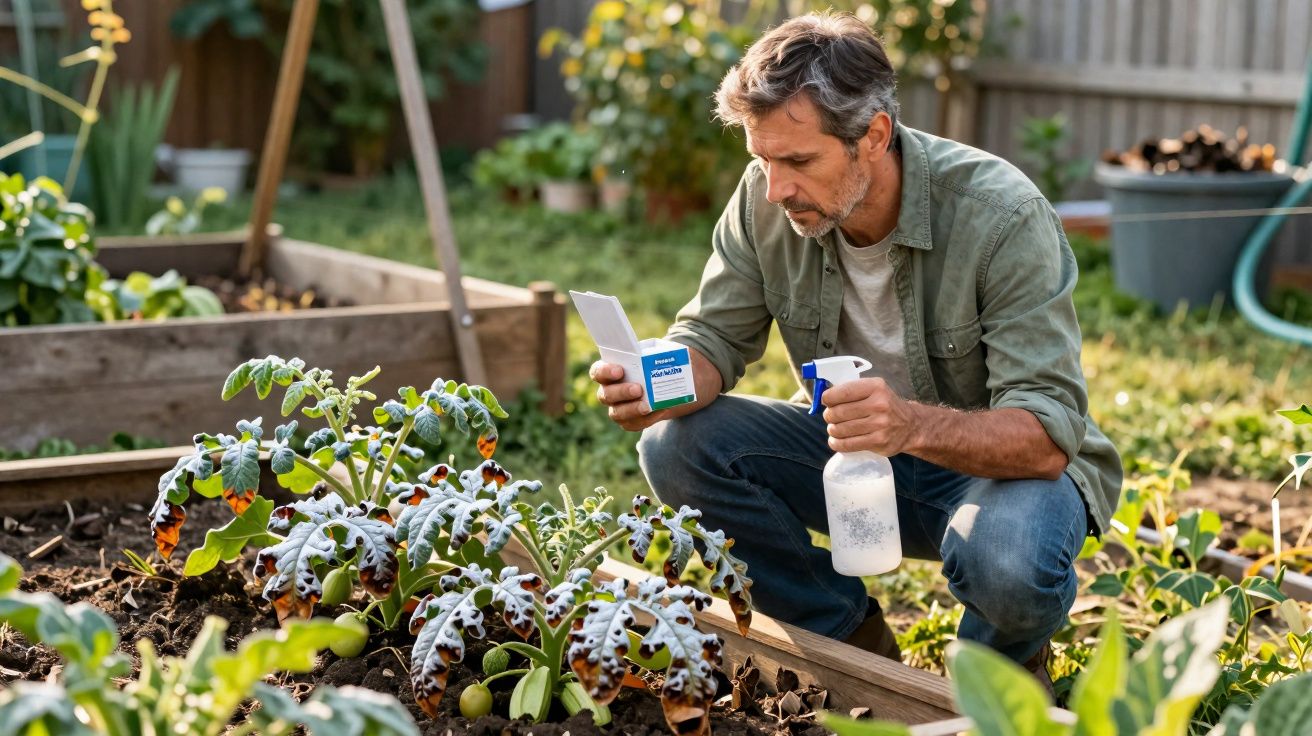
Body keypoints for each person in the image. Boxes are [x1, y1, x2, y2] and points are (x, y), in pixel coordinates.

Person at [588, 12, 1121, 689]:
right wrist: (654, 382)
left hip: (999, 476)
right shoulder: (767, 199)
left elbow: (1047, 435)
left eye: (799, 162)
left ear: (873, 136)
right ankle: (850, 645)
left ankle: (999, 677)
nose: (776, 187)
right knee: (675, 446)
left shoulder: (1002, 215)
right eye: (762, 160)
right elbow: (714, 338)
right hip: (852, 460)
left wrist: (910, 425)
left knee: (1011, 562)